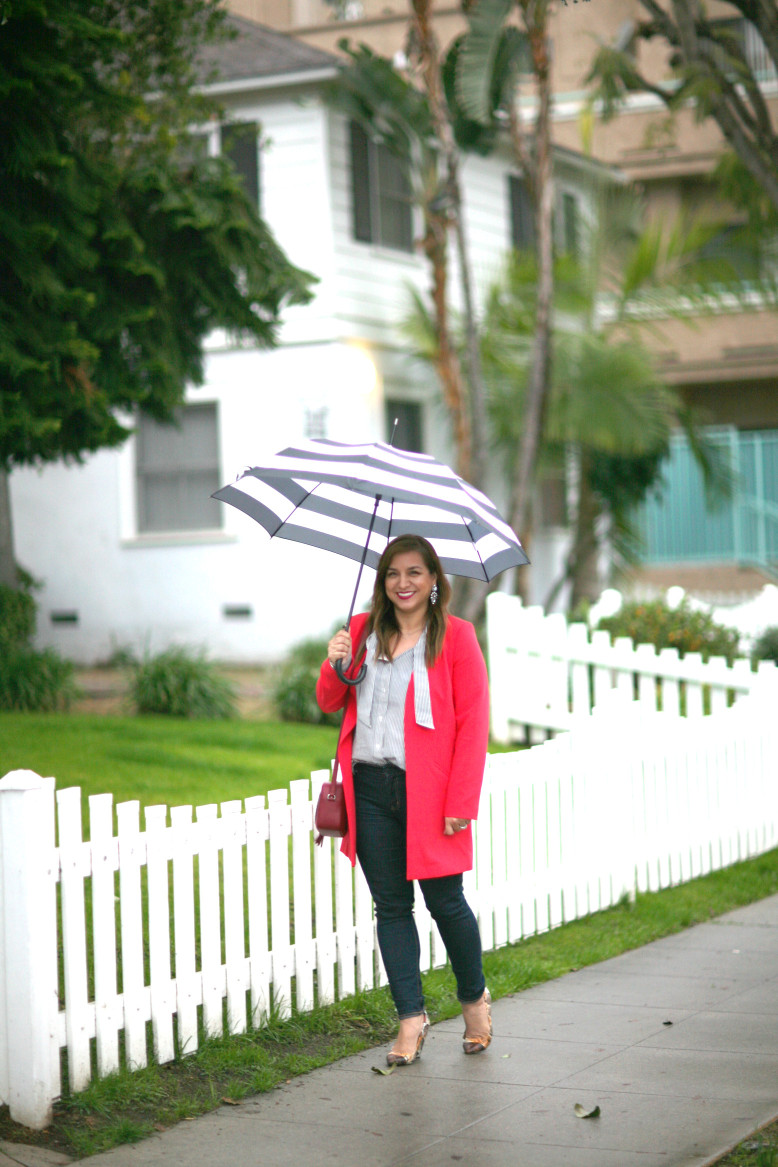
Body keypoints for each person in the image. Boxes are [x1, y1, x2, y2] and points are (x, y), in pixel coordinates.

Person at [316, 533, 492, 1066]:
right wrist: (336, 660)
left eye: (415, 572)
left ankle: (474, 1001)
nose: (403, 583)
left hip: (431, 792)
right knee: (391, 907)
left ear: (434, 580)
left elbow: (473, 723)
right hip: (370, 786)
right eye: (393, 573)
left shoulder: (457, 638)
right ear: (382, 580)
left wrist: (461, 798)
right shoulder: (362, 630)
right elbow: (329, 700)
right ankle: (410, 1020)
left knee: (446, 904)